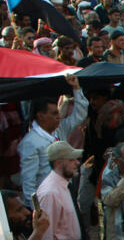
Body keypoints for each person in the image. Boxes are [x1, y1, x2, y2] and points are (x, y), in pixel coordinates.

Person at [19, 75, 89, 203]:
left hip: (66, 192)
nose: (58, 116)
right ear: (41, 116)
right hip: (48, 200)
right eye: (54, 113)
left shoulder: (60, 129)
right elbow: (29, 182)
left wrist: (76, 88)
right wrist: (37, 211)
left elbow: (80, 113)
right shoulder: (31, 142)